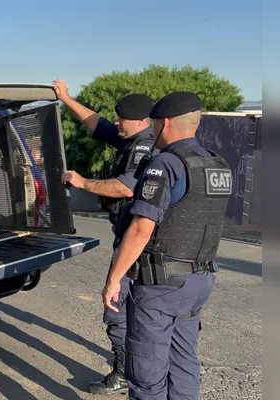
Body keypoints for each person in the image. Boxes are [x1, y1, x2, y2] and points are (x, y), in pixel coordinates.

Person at [102, 91, 230, 399]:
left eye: (155, 122)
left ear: (166, 123)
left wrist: (114, 278)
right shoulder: (216, 163)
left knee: (146, 372)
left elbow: (142, 227)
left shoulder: (165, 164)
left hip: (161, 284)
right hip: (198, 280)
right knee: (183, 360)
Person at [53, 79, 155, 395]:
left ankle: (125, 373)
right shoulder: (131, 137)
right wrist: (66, 99)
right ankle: (141, 365)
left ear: (141, 121)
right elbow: (97, 124)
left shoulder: (142, 147)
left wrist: (83, 183)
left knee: (116, 306)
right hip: (130, 235)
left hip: (133, 238)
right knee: (133, 307)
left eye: (122, 119)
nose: (117, 123)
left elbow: (126, 187)